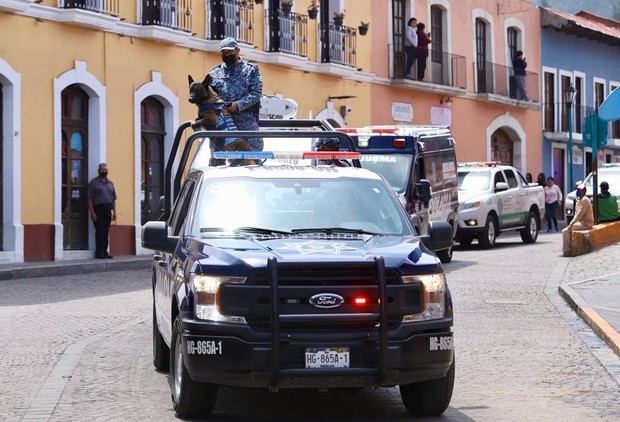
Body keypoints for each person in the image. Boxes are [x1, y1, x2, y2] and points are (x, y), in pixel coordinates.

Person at [209, 37, 264, 151]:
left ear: (237, 51)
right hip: (223, 122)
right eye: (223, 52)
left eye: (230, 52)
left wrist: (237, 105)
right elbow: (210, 96)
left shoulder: (251, 70)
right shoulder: (214, 73)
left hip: (245, 121)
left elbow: (256, 93)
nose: (227, 55)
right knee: (218, 157)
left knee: (253, 154)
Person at [88, 163, 117, 259]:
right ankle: (99, 252)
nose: (104, 171)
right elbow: (89, 199)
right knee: (100, 231)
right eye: (103, 170)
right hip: (98, 209)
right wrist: (92, 212)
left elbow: (113, 199)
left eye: (106, 170)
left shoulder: (110, 183)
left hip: (108, 209)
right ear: (99, 171)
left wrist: (114, 212)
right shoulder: (94, 183)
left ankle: (105, 251)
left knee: (106, 231)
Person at [562, 184, 593, 254]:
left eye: (579, 190)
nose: (578, 192)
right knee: (567, 230)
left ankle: (566, 250)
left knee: (565, 231)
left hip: (586, 223)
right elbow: (576, 214)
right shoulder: (579, 200)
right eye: (577, 190)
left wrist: (571, 223)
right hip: (581, 222)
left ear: (584, 191)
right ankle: (569, 248)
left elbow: (579, 214)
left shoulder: (585, 200)